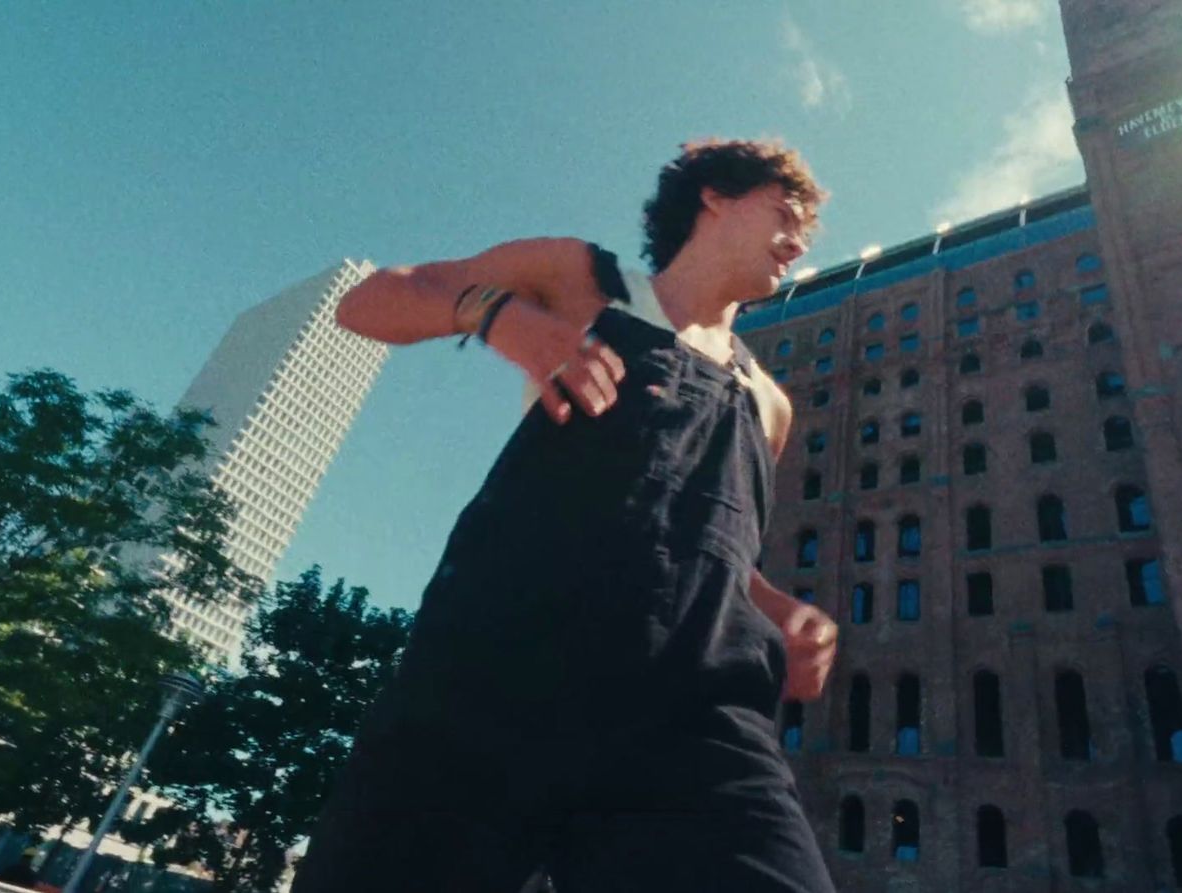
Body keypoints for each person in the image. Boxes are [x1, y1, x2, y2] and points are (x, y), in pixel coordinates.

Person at [292, 138, 840, 892]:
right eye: (785, 210)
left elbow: (708, 542)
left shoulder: (768, 404)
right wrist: (492, 312)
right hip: (493, 680)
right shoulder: (583, 277)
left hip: (693, 717)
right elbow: (367, 302)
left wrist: (780, 610)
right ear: (716, 195)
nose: (800, 239)